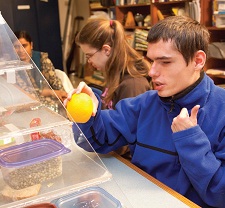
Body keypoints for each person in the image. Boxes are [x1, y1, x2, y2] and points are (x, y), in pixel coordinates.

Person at [65, 15, 225, 207]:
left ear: (198, 61)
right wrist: (90, 113)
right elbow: (97, 140)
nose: (152, 72)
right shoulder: (144, 105)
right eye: (152, 61)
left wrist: (191, 141)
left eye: (165, 62)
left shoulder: (221, 111)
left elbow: (221, 195)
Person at [75, 18, 151, 110]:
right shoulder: (115, 74)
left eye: (89, 56)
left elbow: (126, 123)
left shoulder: (133, 85)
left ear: (106, 50)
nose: (89, 61)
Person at [13, 30, 67, 103]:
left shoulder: (42, 60)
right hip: (29, 102)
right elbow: (25, 91)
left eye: (24, 46)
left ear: (31, 45)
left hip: (52, 100)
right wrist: (51, 92)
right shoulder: (12, 67)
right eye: (16, 47)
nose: (21, 50)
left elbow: (56, 83)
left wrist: (63, 96)